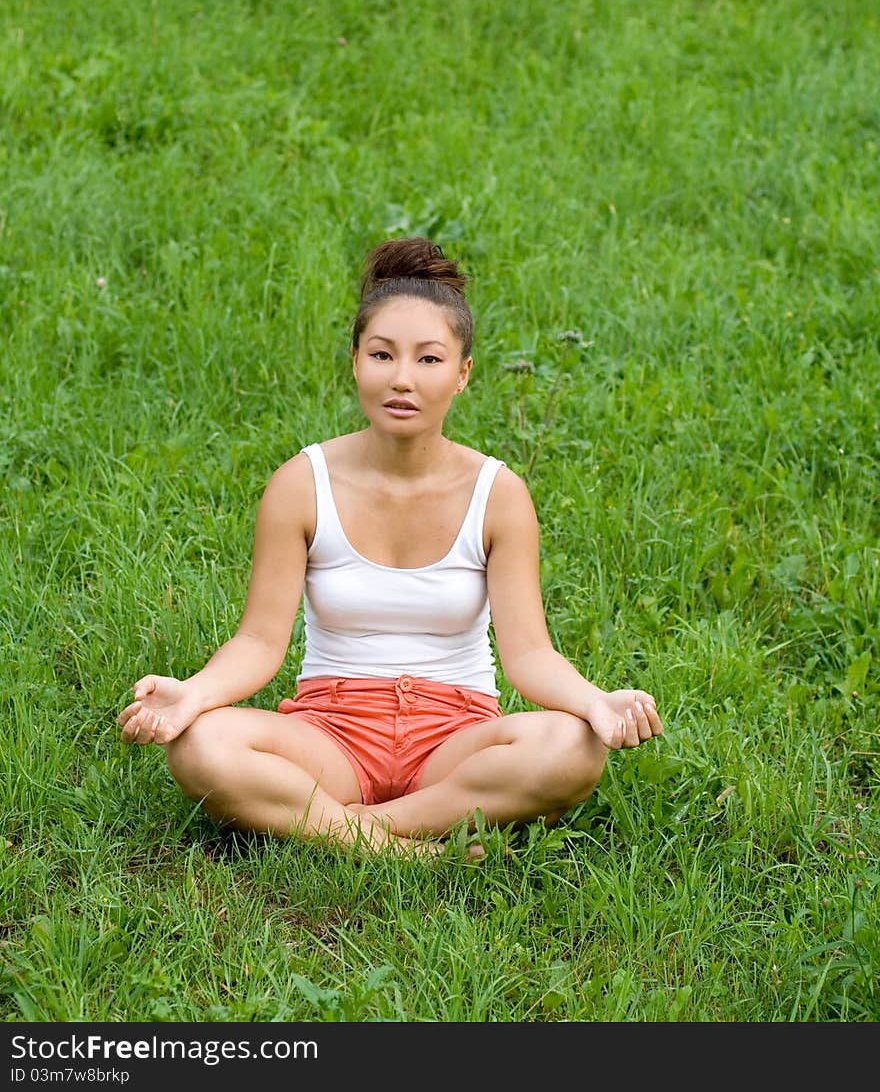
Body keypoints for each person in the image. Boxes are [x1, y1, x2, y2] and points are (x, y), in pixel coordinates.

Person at [118, 237, 663, 857]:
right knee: (198, 744)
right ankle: (406, 848)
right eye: (382, 355)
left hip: (456, 734)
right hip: (330, 731)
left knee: (573, 748)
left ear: (463, 374)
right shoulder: (302, 483)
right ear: (355, 361)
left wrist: (595, 703)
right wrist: (195, 693)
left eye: (428, 360)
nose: (401, 379)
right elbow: (259, 642)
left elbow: (529, 654)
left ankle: (341, 828)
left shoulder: (498, 493)